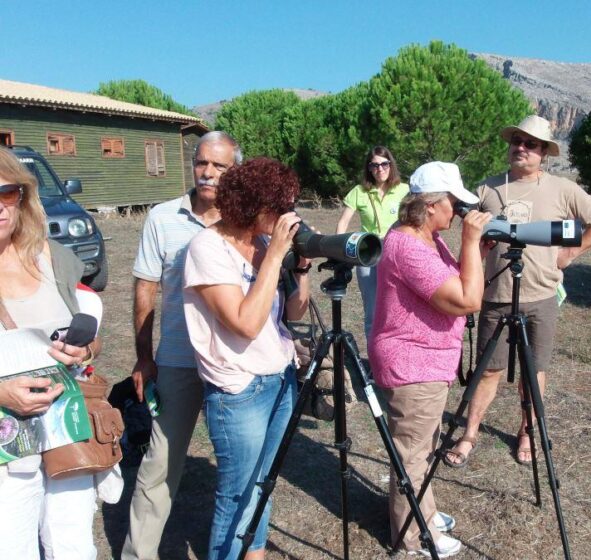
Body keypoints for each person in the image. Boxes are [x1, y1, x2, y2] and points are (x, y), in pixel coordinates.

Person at [445, 115, 591, 468]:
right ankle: (469, 434)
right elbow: (469, 230)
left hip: (541, 296)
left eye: (531, 144)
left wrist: (572, 253)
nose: (521, 148)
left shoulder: (562, 188)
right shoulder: (488, 188)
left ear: (544, 153)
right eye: (517, 141)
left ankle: (527, 432)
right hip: (495, 294)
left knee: (533, 369)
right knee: (487, 370)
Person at [182, 157, 311, 560]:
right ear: (252, 204)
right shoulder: (207, 248)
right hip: (239, 388)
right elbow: (245, 324)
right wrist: (274, 257)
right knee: (237, 494)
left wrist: (301, 269)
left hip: (279, 377)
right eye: (280, 206)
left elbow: (295, 313)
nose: (287, 214)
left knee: (263, 484)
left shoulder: (261, 243)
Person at [122, 131, 242, 560]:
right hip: (178, 359)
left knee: (239, 465)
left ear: (235, 172)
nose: (208, 173)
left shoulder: (247, 219)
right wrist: (144, 357)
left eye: (219, 166)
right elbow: (145, 288)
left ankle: (235, 548)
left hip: (234, 363)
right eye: (201, 163)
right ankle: (138, 554)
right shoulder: (162, 217)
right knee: (159, 463)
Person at [368, 161, 490, 558]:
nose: (459, 211)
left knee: (422, 447)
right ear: (432, 204)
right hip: (412, 364)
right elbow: (467, 300)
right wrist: (470, 242)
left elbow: (452, 279)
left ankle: (425, 511)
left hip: (425, 361)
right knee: (411, 453)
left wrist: (476, 252)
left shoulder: (427, 238)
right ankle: (411, 535)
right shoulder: (409, 247)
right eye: (455, 202)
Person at [0, 146, 104, 559]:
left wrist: (85, 351)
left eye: (7, 193)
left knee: (72, 544)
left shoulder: (51, 257)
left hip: (66, 427)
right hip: (6, 444)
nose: (0, 206)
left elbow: (91, 327)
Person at [335, 146, 409, 340]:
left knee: (398, 306)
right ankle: (373, 356)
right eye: (374, 165)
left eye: (384, 164)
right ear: (368, 168)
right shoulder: (359, 192)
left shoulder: (404, 190)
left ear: (391, 165)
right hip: (367, 254)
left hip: (395, 253)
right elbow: (343, 222)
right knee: (372, 311)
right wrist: (338, 252)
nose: (380, 169)